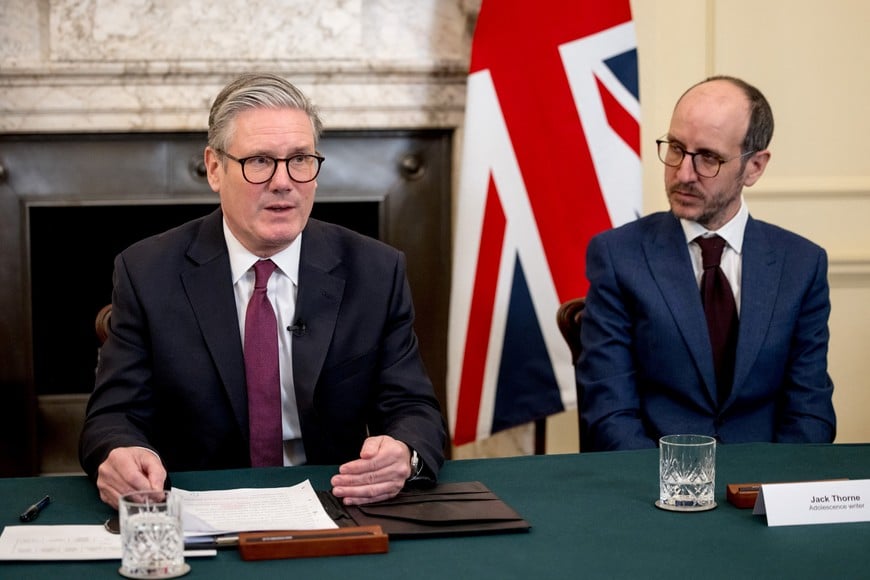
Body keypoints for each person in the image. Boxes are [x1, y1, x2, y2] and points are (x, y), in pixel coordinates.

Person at [79, 73, 446, 508]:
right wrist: (122, 452)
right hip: (199, 505)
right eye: (259, 161)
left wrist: (404, 452)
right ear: (215, 168)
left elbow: (415, 410)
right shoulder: (147, 272)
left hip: (335, 507)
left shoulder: (375, 271)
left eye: (300, 159)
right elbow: (113, 416)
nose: (283, 182)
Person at [577, 75, 835, 451]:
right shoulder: (618, 257)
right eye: (676, 149)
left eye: (708, 158)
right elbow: (609, 415)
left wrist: (770, 493)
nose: (683, 173)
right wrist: (676, 491)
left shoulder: (802, 265)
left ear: (755, 167)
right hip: (654, 491)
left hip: (763, 491)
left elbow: (810, 412)